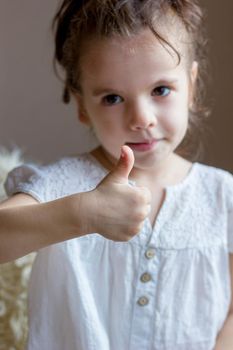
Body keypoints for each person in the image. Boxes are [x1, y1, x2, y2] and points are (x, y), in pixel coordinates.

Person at [0, 0, 233, 349]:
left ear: (192, 87)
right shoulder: (64, 185)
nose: (141, 117)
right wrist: (82, 214)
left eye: (161, 90)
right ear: (82, 106)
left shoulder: (221, 196)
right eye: (112, 98)